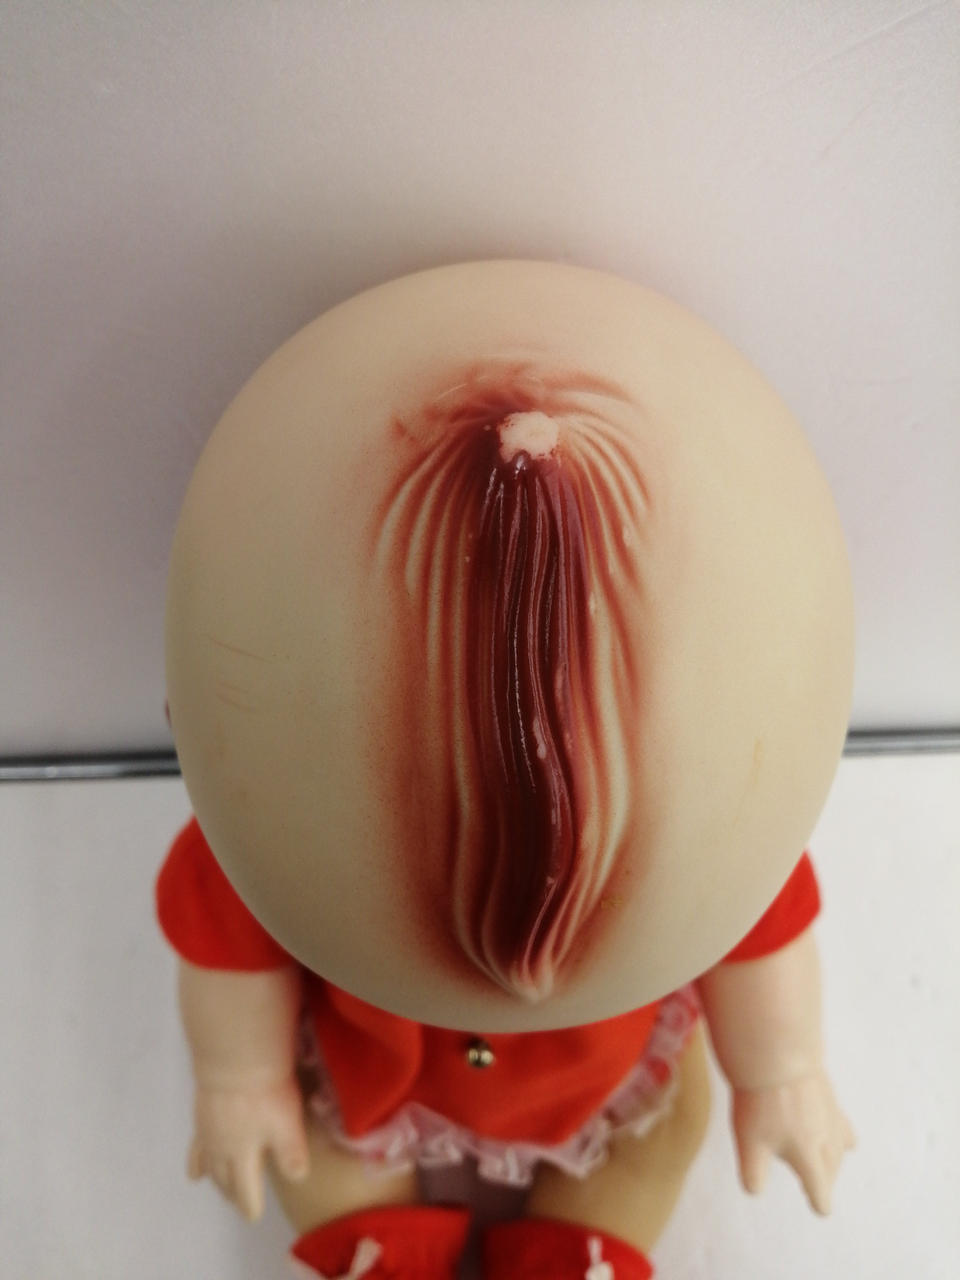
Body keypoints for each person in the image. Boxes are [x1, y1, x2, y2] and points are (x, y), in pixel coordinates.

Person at [159, 260, 856, 1278]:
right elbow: (229, 948)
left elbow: (765, 934)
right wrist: (239, 1077)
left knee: (665, 1127)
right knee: (318, 1148)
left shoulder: (726, 834)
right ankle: (374, 1243)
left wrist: (782, 1066)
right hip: (374, 1077)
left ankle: (581, 1246)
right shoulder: (267, 836)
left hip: (601, 1080)